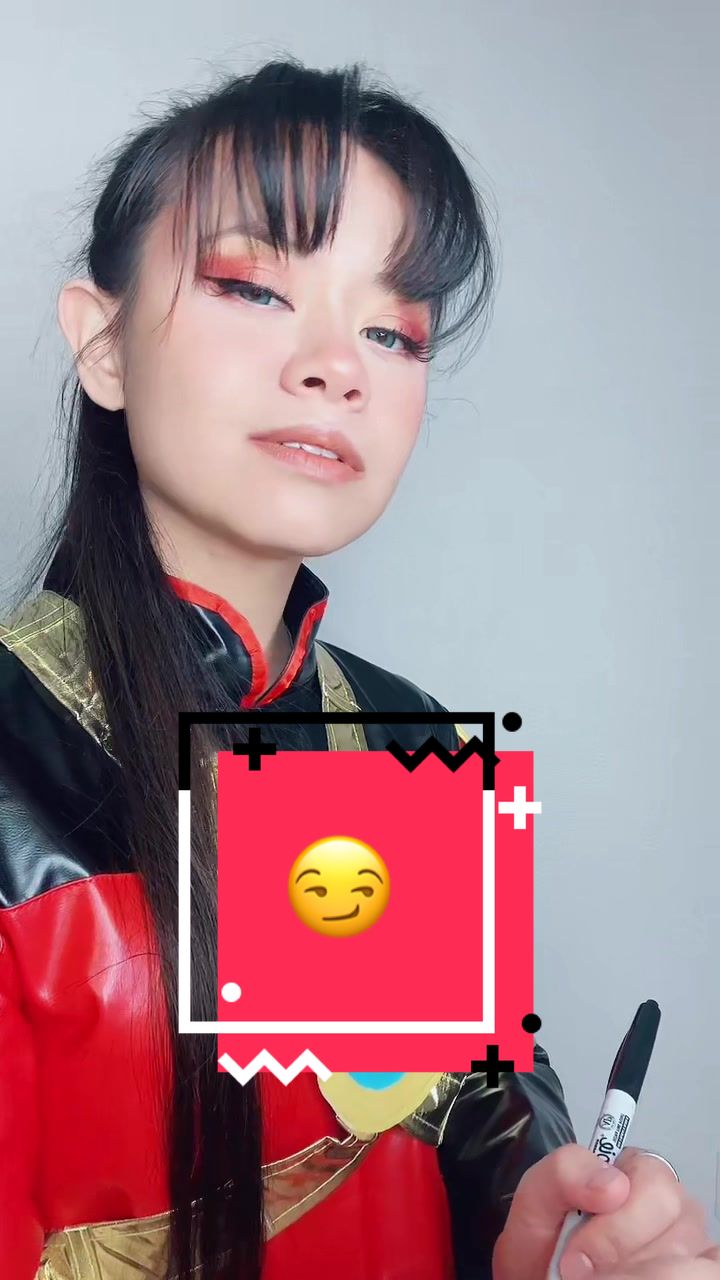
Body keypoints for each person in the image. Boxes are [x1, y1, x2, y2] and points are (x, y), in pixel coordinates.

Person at [0, 56, 715, 1280]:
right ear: (103, 344)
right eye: (254, 286)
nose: (340, 363)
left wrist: (559, 1222)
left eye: (393, 329)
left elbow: (465, 1119)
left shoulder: (399, 737)